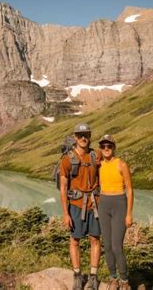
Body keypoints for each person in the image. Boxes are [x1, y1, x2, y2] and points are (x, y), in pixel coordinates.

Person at [59, 122, 101, 290]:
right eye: (80, 135)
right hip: (76, 205)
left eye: (87, 135)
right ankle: (77, 275)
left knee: (94, 239)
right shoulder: (68, 159)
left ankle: (93, 276)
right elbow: (63, 187)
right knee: (75, 240)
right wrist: (65, 213)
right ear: (75, 137)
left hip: (94, 205)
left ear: (90, 137)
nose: (84, 138)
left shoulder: (95, 155)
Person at [97, 134, 134, 290]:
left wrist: (129, 213)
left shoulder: (121, 165)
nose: (106, 149)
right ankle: (113, 279)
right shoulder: (99, 165)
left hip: (119, 204)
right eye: (103, 146)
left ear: (114, 147)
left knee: (117, 246)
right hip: (103, 204)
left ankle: (124, 280)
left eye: (109, 146)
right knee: (107, 245)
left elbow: (130, 190)